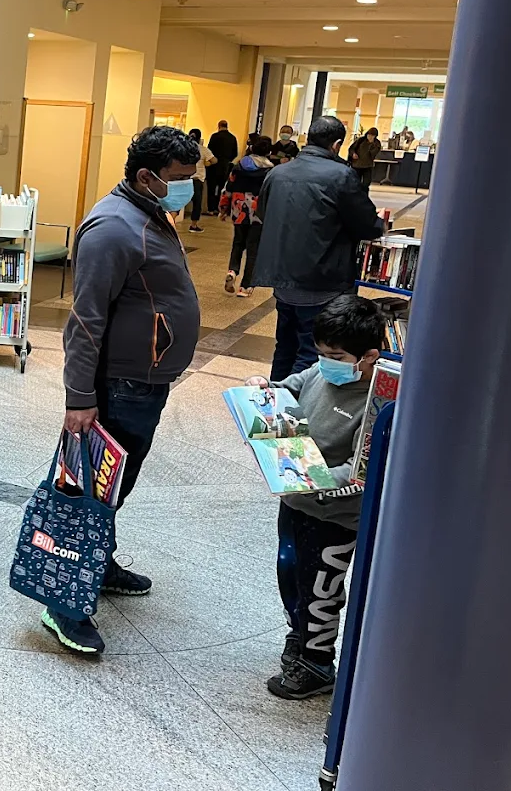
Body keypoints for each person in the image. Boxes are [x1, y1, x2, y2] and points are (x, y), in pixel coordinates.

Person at [55, 126, 202, 655]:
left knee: (114, 487)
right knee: (92, 493)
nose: (190, 188)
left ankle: (102, 562)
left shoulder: (148, 213)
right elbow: (85, 320)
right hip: (120, 387)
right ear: (146, 176)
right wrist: (79, 397)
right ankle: (65, 603)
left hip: (145, 381)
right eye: (181, 180)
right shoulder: (114, 228)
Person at [242, 295, 383, 700]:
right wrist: (264, 390)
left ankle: (317, 661)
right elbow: (291, 387)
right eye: (321, 353)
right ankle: (299, 635)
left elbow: (360, 472)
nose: (325, 362)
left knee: (321, 587)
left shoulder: (374, 404)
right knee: (290, 571)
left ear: (368, 356)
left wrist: (312, 479)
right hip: (294, 500)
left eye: (335, 355)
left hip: (335, 515)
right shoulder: (321, 374)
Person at [252, 116, 386, 381]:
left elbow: (264, 213)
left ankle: (276, 407)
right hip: (323, 280)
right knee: (311, 350)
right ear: (336, 144)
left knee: (285, 346)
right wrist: (380, 222)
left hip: (282, 278)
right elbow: (367, 225)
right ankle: (297, 413)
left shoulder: (277, 173)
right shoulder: (341, 175)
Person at [219, 135, 274, 297]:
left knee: (238, 242)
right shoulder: (270, 170)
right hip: (258, 211)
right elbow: (271, 194)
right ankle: (245, 286)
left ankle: (232, 270)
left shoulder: (238, 166)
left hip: (239, 207)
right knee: (253, 248)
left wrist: (223, 208)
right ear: (269, 151)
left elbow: (227, 188)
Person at [186, 128, 213, 234]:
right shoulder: (203, 149)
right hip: (197, 179)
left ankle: (171, 221)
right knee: (197, 204)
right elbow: (214, 160)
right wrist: (207, 163)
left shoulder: (184, 148)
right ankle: (193, 225)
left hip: (185, 178)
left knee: (178, 202)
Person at [206, 120, 238, 207]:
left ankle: (211, 208)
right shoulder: (232, 138)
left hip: (214, 166)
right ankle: (219, 207)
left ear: (219, 126)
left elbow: (209, 151)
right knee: (222, 187)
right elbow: (235, 153)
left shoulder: (215, 136)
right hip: (225, 166)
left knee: (211, 188)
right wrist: (228, 159)